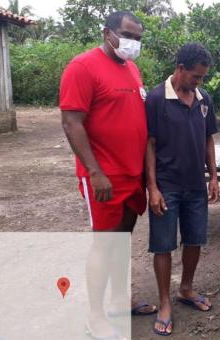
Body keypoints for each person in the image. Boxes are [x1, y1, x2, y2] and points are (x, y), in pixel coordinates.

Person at [59, 11, 156, 339]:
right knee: (104, 244)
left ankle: (119, 300)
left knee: (122, 240)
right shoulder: (82, 67)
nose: (134, 43)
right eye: (129, 35)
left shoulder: (132, 68)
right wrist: (94, 171)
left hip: (132, 174)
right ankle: (95, 315)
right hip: (104, 176)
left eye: (139, 38)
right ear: (108, 33)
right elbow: (72, 122)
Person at [145, 43, 219, 336]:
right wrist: (152, 187)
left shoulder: (204, 100)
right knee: (163, 244)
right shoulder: (155, 99)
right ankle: (164, 302)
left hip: (195, 185)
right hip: (166, 186)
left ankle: (185, 289)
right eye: (195, 77)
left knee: (194, 240)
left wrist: (213, 177)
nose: (199, 82)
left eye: (202, 78)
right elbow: (148, 144)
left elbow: (208, 140)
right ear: (180, 69)